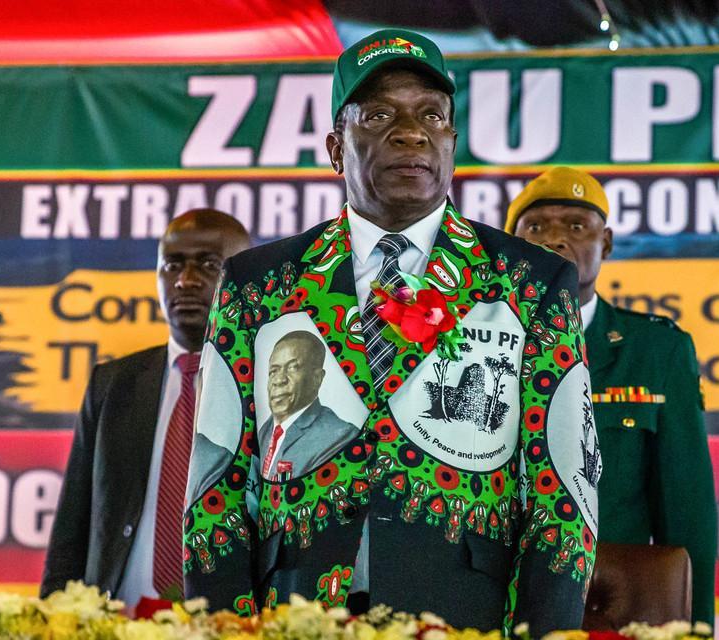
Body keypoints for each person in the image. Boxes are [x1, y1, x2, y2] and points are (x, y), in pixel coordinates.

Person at [184, 29, 597, 636]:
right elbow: (215, 487)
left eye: (431, 115)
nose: (411, 133)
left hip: (464, 618)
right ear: (335, 148)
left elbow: (563, 496)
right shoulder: (258, 283)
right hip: (295, 616)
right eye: (379, 116)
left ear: (452, 141)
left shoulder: (530, 281)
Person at [507, 166, 718, 627]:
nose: (555, 239)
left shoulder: (657, 351)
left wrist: (694, 629)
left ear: (605, 243)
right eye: (535, 227)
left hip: (607, 607)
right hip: (490, 602)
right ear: (512, 246)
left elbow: (687, 515)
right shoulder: (470, 344)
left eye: (576, 226)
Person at [41, 209, 251, 606]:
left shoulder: (270, 383)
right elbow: (72, 526)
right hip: (117, 620)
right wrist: (54, 617)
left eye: (209, 265)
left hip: (232, 623)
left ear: (246, 277)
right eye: (172, 265)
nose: (186, 280)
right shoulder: (112, 384)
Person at [259, 331, 359, 481]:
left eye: (293, 367)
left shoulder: (338, 437)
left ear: (317, 378)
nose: (278, 380)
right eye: (273, 371)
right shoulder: (265, 430)